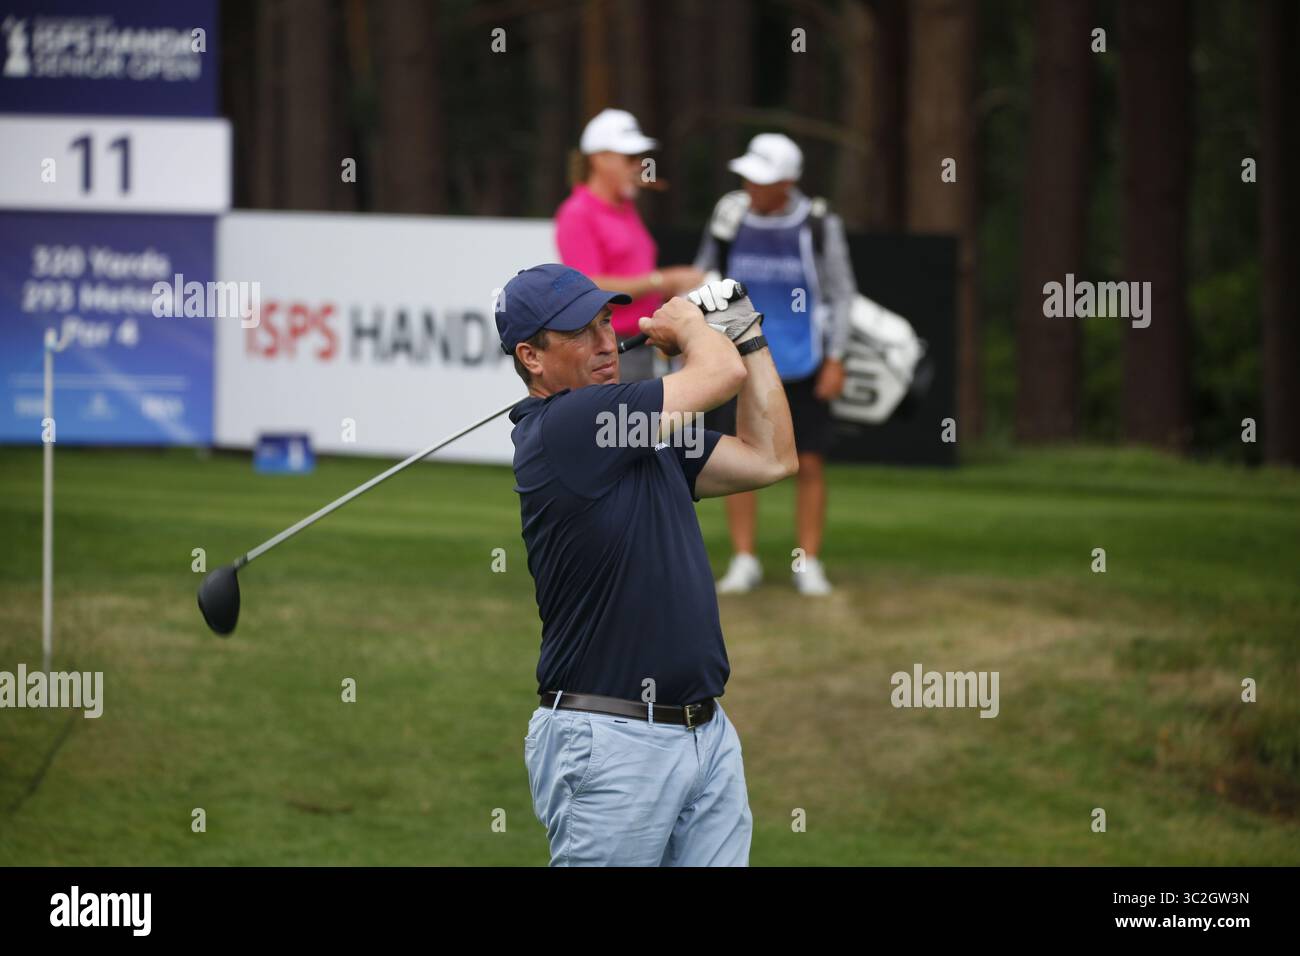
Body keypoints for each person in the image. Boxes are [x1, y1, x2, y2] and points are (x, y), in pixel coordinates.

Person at [496, 265, 796, 866]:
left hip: (705, 731)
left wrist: (747, 335)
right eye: (579, 332)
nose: (606, 342)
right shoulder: (572, 427)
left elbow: (770, 458)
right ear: (531, 356)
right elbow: (718, 375)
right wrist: (691, 326)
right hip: (610, 738)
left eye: (606, 321)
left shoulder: (634, 431)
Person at [694, 133, 859, 597]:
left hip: (803, 358)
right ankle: (744, 559)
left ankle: (808, 561)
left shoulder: (819, 223)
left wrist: (837, 358)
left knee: (808, 462)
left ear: (787, 182)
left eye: (761, 179)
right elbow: (706, 272)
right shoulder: (729, 215)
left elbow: (842, 293)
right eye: (747, 175)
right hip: (736, 358)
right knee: (737, 459)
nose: (750, 185)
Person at [554, 108, 704, 381]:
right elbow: (590, 286)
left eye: (640, 157)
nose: (639, 166)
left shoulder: (625, 208)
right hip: (611, 348)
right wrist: (663, 280)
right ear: (599, 159)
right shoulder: (577, 212)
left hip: (642, 345)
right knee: (625, 424)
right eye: (630, 157)